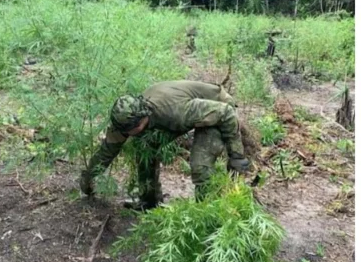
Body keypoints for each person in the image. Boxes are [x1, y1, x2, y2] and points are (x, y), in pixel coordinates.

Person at [79, 80, 250, 209]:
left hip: (216, 111)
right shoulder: (123, 122)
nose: (128, 135)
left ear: (143, 118)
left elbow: (225, 113)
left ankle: (205, 213)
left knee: (200, 164)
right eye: (126, 132)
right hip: (180, 115)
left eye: (134, 129)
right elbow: (106, 153)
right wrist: (87, 180)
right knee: (144, 150)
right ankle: (149, 201)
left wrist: (236, 156)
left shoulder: (176, 111)